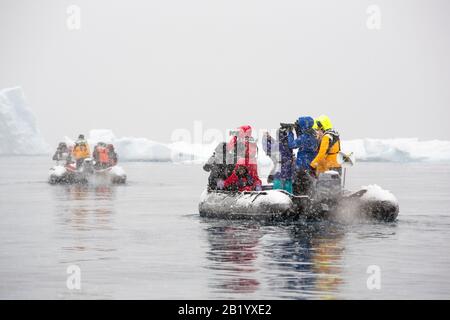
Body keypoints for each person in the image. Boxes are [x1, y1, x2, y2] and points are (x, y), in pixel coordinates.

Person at [288, 116, 318, 195]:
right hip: (311, 165)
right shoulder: (314, 135)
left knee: (299, 186)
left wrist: (290, 133)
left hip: (302, 166)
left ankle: (299, 201)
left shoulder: (304, 137)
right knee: (308, 186)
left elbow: (291, 145)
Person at [262, 128, 294, 193]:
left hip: (279, 171)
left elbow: (267, 148)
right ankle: (290, 199)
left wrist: (264, 138)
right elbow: (279, 144)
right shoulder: (289, 144)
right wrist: (270, 138)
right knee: (288, 189)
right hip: (288, 170)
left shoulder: (277, 145)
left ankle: (278, 201)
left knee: (277, 192)